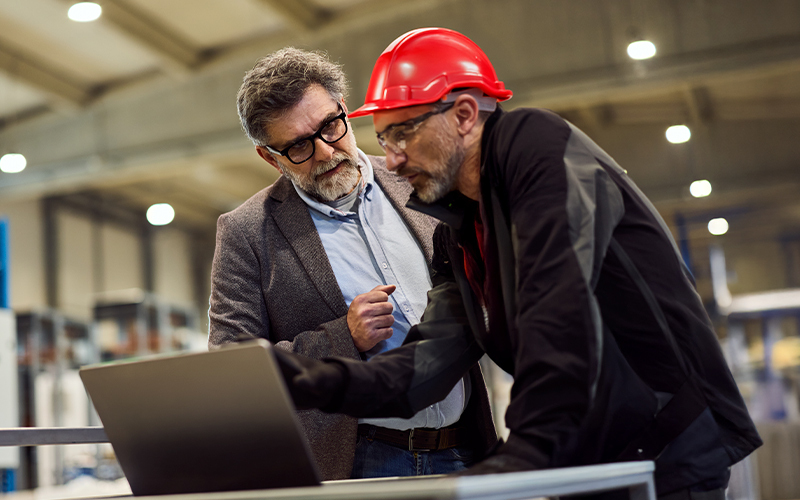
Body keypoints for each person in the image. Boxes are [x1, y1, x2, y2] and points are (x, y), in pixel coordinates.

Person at [273, 29, 762, 497]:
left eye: (402, 133)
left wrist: (524, 453)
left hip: (665, 451)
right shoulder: (459, 233)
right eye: (384, 140)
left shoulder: (539, 148)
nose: (393, 161)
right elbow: (422, 370)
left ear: (464, 113)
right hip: (589, 459)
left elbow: (559, 313)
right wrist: (309, 380)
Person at [207, 47, 496, 481]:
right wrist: (344, 337)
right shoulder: (248, 231)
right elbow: (231, 366)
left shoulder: (418, 178)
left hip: (467, 446)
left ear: (344, 109)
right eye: (299, 146)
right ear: (270, 156)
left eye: (329, 127)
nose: (324, 152)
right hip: (363, 460)